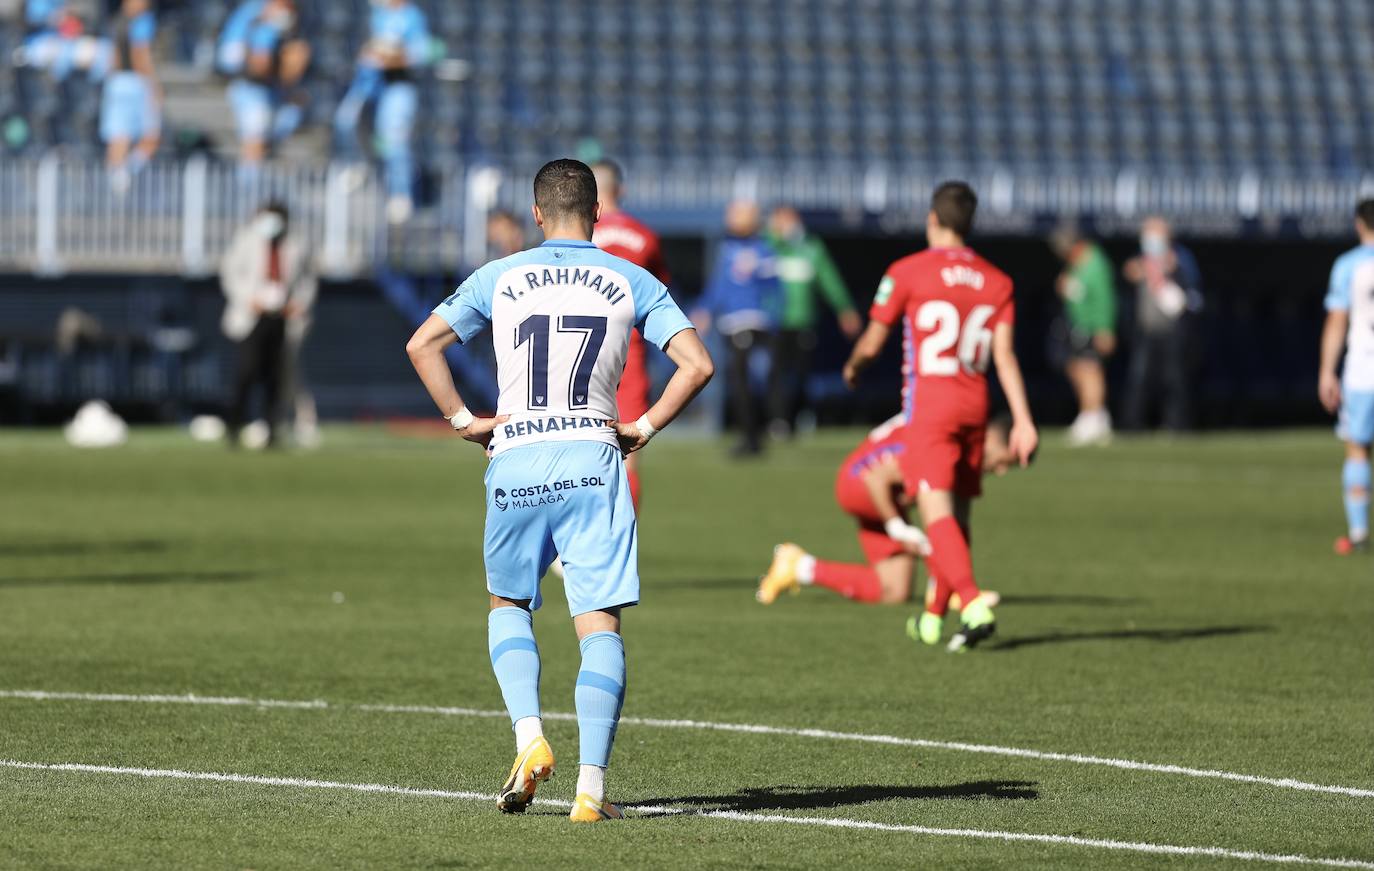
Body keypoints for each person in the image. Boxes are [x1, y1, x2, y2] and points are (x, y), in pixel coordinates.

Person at [404, 159, 713, 822]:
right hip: (594, 457)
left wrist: (464, 421)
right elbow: (697, 363)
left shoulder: (502, 274)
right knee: (598, 621)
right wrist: (648, 426)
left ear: (537, 215)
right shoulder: (630, 277)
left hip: (515, 453)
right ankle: (591, 790)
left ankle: (527, 736)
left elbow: (423, 343)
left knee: (508, 601)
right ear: (598, 213)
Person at [841, 181, 1038, 651]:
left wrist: (853, 367)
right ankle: (932, 619)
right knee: (959, 516)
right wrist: (1024, 420)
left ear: (933, 219)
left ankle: (970, 603)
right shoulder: (998, 281)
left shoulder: (907, 270)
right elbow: (1005, 356)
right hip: (975, 403)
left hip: (930, 407)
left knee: (936, 515)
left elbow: (872, 340)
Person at [758, 415, 1022, 612]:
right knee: (938, 516)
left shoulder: (957, 432)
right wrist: (897, 527)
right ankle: (949, 587)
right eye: (1003, 460)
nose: (1000, 471)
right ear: (994, 438)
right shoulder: (950, 439)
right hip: (863, 484)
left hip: (863, 484)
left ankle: (798, 566)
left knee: (894, 589)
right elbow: (877, 477)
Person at [591, 159, 672, 508]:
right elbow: (659, 292)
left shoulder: (575, 236)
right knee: (628, 449)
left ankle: (567, 546)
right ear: (620, 190)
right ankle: (618, 544)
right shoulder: (644, 237)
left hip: (576, 348)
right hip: (628, 352)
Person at [220, 201, 317, 448]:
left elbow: (308, 279)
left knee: (277, 375)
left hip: (282, 316)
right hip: (251, 316)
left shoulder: (297, 244)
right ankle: (235, 424)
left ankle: (272, 427)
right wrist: (249, 299)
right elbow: (231, 273)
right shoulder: (246, 240)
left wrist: (298, 303)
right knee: (247, 370)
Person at [694, 200, 782, 456]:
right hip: (732, 323)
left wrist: (772, 319)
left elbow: (775, 290)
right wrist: (705, 310)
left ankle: (755, 436)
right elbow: (718, 288)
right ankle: (750, 434)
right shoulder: (728, 250)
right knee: (738, 379)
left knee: (747, 378)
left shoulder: (763, 251)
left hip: (752, 322)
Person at [332, 0, 432, 224]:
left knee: (393, 138)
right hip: (368, 82)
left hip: (397, 84)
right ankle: (356, 165)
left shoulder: (413, 17)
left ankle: (400, 192)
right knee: (345, 121)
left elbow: (424, 52)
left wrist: (391, 58)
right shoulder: (374, 14)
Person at [765, 205, 861, 437]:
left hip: (803, 320)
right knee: (775, 373)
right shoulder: (768, 247)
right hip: (774, 321)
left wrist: (845, 309)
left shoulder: (811, 248)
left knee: (801, 373)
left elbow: (830, 280)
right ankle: (778, 420)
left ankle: (798, 415)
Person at [1318, 199, 1374, 556]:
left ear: (1358, 224)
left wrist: (1326, 371)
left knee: (1356, 449)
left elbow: (1337, 320)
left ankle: (1358, 531)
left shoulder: (1349, 265)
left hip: (1363, 372)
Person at [1122, 216, 1202, 432]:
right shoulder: (1142, 259)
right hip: (1146, 329)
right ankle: (1133, 425)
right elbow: (1128, 273)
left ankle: (1176, 424)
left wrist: (1172, 269)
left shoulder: (1181, 257)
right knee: (1139, 379)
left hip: (1173, 330)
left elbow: (1193, 294)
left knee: (1174, 379)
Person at [1049, 226, 1117, 446]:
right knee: (1077, 367)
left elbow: (1105, 299)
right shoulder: (1076, 265)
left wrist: (1104, 328)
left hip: (1093, 326)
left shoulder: (1096, 264)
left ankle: (1094, 416)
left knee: (1091, 370)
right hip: (1076, 325)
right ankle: (1090, 413)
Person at [222, 0, 310, 166]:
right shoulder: (254, 16)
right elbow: (256, 63)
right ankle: (249, 186)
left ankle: (262, 167)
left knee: (291, 114)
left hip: (273, 89)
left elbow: (293, 64)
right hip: (249, 87)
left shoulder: (287, 21)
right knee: (255, 139)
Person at [98, 0, 161, 191]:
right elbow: (140, 54)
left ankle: (119, 179)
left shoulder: (115, 21)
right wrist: (153, 85)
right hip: (134, 82)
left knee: (119, 137)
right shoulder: (141, 21)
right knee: (147, 135)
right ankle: (124, 179)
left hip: (115, 82)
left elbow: (113, 58)